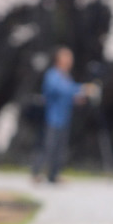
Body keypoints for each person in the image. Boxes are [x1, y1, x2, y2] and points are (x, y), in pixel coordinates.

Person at [32, 47, 95, 184]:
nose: (70, 60)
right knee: (47, 146)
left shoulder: (67, 76)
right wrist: (82, 89)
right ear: (59, 59)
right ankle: (36, 173)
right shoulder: (53, 75)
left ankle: (53, 175)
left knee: (60, 148)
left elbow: (68, 93)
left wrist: (77, 98)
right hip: (51, 118)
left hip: (64, 118)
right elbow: (60, 90)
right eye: (67, 57)